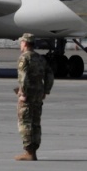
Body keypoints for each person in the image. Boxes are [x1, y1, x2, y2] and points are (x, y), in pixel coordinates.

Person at [14, 33, 54, 161]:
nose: (20, 44)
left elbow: (23, 77)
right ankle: (33, 151)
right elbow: (49, 74)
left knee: (25, 122)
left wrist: (23, 93)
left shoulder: (24, 58)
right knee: (36, 122)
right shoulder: (40, 58)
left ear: (25, 43)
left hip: (29, 94)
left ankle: (29, 152)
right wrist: (46, 90)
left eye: (21, 42)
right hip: (38, 94)